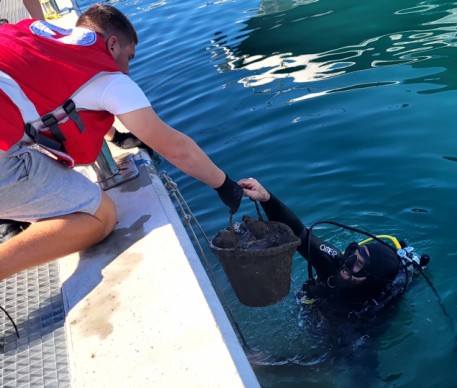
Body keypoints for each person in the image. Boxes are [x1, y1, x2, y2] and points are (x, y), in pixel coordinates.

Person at [0, 4, 243, 281]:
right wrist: (224, 185)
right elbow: (177, 149)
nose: (127, 71)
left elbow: (66, 99)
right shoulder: (109, 78)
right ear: (113, 44)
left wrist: (115, 137)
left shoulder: (42, 32)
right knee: (101, 216)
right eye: (129, 58)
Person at [238, 178, 429, 319]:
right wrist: (267, 198)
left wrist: (265, 362)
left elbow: (334, 365)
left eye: (359, 264)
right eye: (355, 253)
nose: (348, 262)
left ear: (369, 280)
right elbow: (299, 233)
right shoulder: (336, 263)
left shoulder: (361, 317)